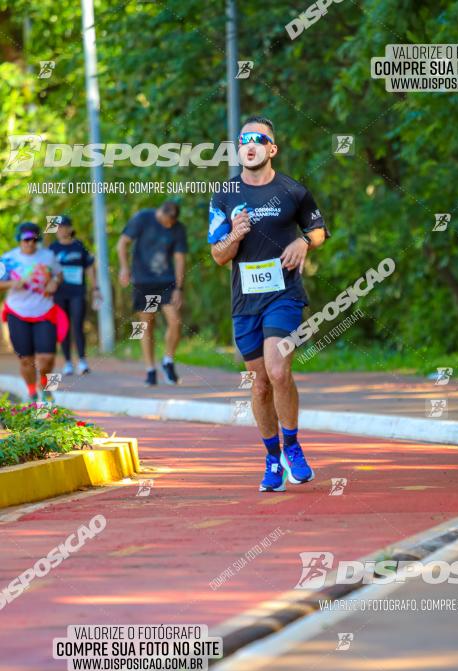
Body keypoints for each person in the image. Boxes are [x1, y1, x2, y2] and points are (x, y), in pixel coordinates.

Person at [208, 115, 328, 492]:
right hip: (246, 301)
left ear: (271, 149)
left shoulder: (293, 191)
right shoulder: (224, 196)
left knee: (278, 371)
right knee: (260, 383)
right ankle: (272, 458)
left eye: (258, 139)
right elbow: (217, 255)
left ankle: (292, 447)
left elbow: (319, 229)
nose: (250, 144)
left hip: (284, 294)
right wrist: (235, 236)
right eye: (243, 140)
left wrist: (304, 242)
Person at [117, 201, 187, 386]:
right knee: (147, 324)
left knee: (175, 321)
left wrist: (179, 288)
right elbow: (122, 243)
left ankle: (168, 361)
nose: (169, 226)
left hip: (166, 282)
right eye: (166, 222)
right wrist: (124, 269)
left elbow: (180, 258)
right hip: (144, 282)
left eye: (172, 223)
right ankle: (150, 369)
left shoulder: (178, 228)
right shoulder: (142, 218)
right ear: (160, 213)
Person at [0, 222, 65, 402]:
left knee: (47, 357)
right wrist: (13, 283)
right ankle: (31, 393)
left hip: (44, 311)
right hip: (18, 312)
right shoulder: (7, 260)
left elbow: (59, 275)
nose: (29, 243)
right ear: (19, 240)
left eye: (33, 240)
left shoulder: (48, 256)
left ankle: (45, 388)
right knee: (26, 359)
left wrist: (55, 283)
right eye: (25, 240)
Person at [49, 215, 100, 376]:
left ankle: (82, 361)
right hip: (59, 294)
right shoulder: (52, 249)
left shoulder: (79, 247)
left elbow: (90, 267)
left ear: (70, 228)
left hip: (77, 292)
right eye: (58, 227)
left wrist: (95, 287)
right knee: (63, 327)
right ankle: (68, 363)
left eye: (64, 226)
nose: (62, 230)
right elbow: (46, 271)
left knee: (77, 325)